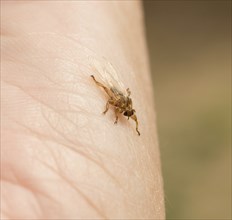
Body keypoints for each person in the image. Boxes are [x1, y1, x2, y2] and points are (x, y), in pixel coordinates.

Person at [1, 1, 165, 219]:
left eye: (127, 114)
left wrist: (135, 128)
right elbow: (111, 101)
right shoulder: (120, 103)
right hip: (112, 84)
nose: (127, 115)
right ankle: (95, 80)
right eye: (126, 114)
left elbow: (128, 111)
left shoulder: (126, 107)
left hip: (117, 89)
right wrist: (111, 113)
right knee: (104, 87)